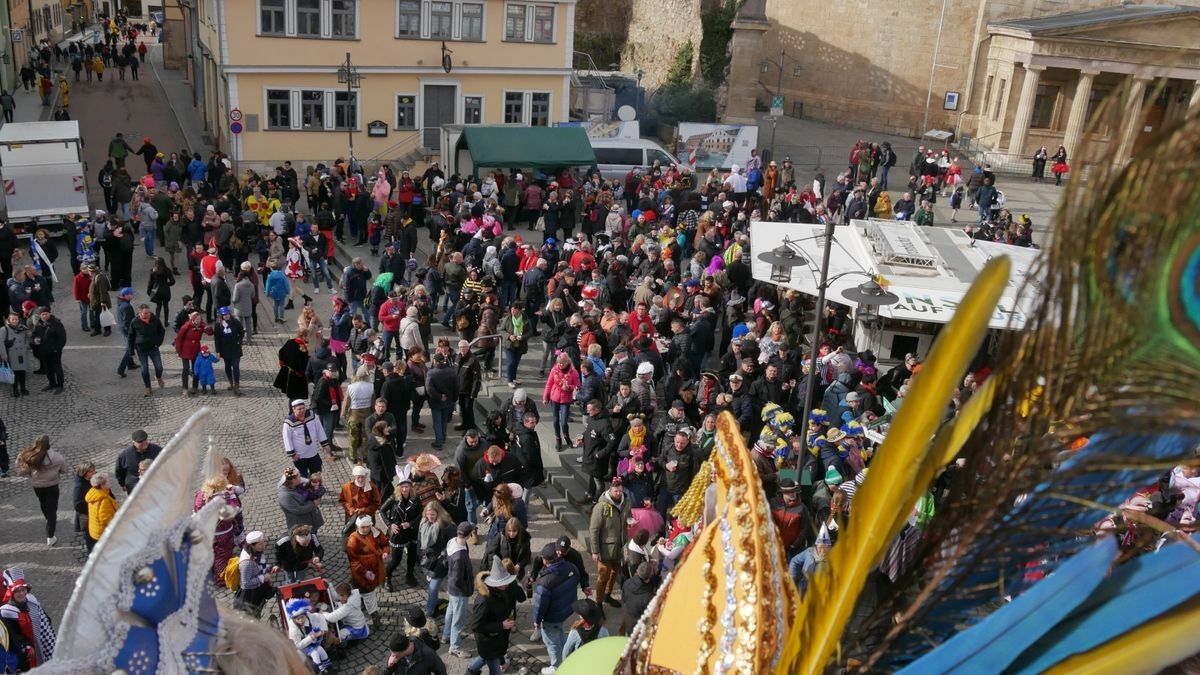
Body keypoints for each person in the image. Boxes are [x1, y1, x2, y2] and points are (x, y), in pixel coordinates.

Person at [466, 556, 526, 675]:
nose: (508, 585)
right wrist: (501, 625)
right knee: (494, 668)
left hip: (495, 640)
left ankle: (470, 671)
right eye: (505, 583)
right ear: (497, 584)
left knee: (484, 658)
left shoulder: (499, 591)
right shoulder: (484, 600)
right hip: (488, 643)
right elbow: (475, 625)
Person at [531, 541, 582, 668]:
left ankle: (557, 666)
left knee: (552, 642)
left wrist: (536, 621)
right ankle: (568, 655)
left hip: (551, 617)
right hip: (565, 611)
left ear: (546, 561)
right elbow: (577, 579)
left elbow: (540, 606)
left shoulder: (544, 582)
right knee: (559, 632)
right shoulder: (571, 567)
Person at [0, 569, 56, 671]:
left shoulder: (31, 600)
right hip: (26, 652)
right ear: (11, 593)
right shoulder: (6, 612)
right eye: (17, 591)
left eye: (23, 590)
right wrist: (25, 645)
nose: (21, 593)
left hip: (45, 641)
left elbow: (45, 618)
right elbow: (13, 634)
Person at [16, 435, 67, 546]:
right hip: (52, 486)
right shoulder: (57, 457)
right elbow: (64, 470)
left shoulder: (31, 458)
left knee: (43, 502)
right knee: (52, 509)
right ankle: (50, 535)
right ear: (49, 444)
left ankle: (48, 519)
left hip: (37, 486)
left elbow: (21, 472)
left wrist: (19, 459)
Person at [589, 476, 632, 608]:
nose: (618, 493)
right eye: (615, 491)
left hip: (620, 547)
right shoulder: (601, 507)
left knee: (614, 573)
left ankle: (607, 595)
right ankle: (599, 602)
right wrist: (595, 551)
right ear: (610, 490)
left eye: (620, 490)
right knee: (603, 576)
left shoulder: (627, 503)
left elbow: (628, 517)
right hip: (605, 549)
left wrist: (630, 522)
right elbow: (594, 529)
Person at [345, 513, 390, 631]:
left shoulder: (376, 532)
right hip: (361, 574)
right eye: (362, 527)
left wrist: (386, 551)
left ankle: (363, 602)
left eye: (367, 526)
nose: (365, 529)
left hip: (376, 568)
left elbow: (385, 543)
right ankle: (375, 617)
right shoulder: (353, 540)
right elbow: (353, 561)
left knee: (369, 591)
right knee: (369, 594)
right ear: (358, 527)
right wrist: (364, 572)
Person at [381, 473, 423, 590]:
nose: (405, 489)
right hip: (398, 532)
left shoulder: (416, 498)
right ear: (399, 487)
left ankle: (409, 574)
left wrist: (411, 523)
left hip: (412, 531)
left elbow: (421, 513)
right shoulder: (393, 498)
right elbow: (382, 510)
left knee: (412, 555)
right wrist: (390, 525)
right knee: (395, 559)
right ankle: (387, 577)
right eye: (402, 487)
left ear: (410, 487)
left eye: (407, 486)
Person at [443, 521, 476, 658]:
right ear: (468, 535)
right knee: (458, 619)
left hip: (451, 586)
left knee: (450, 611)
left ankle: (446, 635)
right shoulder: (460, 556)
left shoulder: (452, 542)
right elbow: (459, 579)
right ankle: (454, 647)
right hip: (459, 591)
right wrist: (467, 590)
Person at [125, 303, 167, 396]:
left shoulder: (155, 319)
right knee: (144, 370)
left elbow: (162, 331)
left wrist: (158, 343)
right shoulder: (135, 321)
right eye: (145, 313)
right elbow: (130, 337)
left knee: (159, 367)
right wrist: (131, 351)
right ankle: (148, 387)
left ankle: (158, 377)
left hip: (153, 348)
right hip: (141, 349)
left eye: (148, 312)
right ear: (140, 312)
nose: (148, 314)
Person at [283, 399, 331, 477]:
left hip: (313, 453)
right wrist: (293, 454)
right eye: (299, 409)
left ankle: (317, 488)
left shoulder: (312, 416)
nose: (302, 411)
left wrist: (325, 444)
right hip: (300, 457)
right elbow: (287, 439)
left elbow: (319, 430)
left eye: (303, 408)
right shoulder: (289, 423)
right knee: (303, 478)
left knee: (316, 475)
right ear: (293, 409)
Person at [237, 530, 280, 617]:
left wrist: (269, 568)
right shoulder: (247, 563)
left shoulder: (256, 551)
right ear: (252, 545)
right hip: (250, 594)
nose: (264, 545)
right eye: (260, 544)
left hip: (258, 588)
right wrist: (263, 578)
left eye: (263, 542)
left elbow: (259, 565)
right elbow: (246, 583)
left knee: (258, 609)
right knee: (253, 614)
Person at [284, 598, 333, 672]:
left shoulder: (308, 616)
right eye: (298, 619)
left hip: (311, 643)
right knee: (315, 653)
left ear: (305, 614)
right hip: (301, 648)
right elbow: (297, 646)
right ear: (294, 619)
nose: (300, 620)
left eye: (302, 617)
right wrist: (312, 637)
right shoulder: (293, 629)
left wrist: (323, 629)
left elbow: (320, 616)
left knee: (321, 650)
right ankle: (320, 671)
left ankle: (328, 667)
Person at [425, 352, 458, 450]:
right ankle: (443, 437)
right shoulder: (451, 371)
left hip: (436, 401)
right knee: (444, 420)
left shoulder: (431, 373)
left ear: (434, 360)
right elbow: (456, 387)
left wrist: (439, 396)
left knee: (437, 421)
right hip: (448, 401)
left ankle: (439, 442)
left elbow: (429, 389)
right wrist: (453, 398)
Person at [114, 429, 162, 494]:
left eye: (145, 440)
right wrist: (122, 484)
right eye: (141, 442)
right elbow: (119, 472)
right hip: (135, 489)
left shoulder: (157, 450)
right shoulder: (125, 455)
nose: (144, 443)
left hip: (155, 486)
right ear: (134, 442)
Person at [31, 307, 66, 393]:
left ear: (49, 314)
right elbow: (33, 335)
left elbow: (62, 339)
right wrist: (34, 340)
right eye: (42, 314)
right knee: (48, 368)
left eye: (46, 314)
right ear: (40, 315)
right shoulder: (38, 324)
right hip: (43, 350)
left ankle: (60, 385)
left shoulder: (57, 324)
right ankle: (52, 383)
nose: (44, 316)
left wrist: (56, 349)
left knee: (57, 368)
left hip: (54, 351)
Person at [212, 306, 245, 395]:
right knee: (227, 367)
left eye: (227, 314)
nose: (226, 316)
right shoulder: (218, 325)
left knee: (236, 366)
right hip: (225, 350)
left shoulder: (236, 323)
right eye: (224, 315)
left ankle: (236, 385)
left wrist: (239, 341)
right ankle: (231, 382)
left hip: (235, 349)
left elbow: (241, 333)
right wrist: (218, 351)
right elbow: (217, 339)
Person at [378, 633, 447, 675]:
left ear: (403, 651)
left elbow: (441, 671)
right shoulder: (395, 654)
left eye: (395, 654)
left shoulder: (427, 654)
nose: (392, 655)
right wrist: (388, 667)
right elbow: (379, 672)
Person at [0, 311, 30, 397]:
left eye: (16, 319)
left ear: (18, 320)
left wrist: (26, 346)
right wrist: (4, 355)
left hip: (22, 353)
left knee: (22, 371)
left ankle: (23, 388)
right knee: (14, 373)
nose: (14, 321)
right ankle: (15, 389)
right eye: (12, 319)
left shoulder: (23, 328)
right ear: (9, 320)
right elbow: (1, 343)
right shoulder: (3, 329)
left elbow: (27, 338)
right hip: (11, 354)